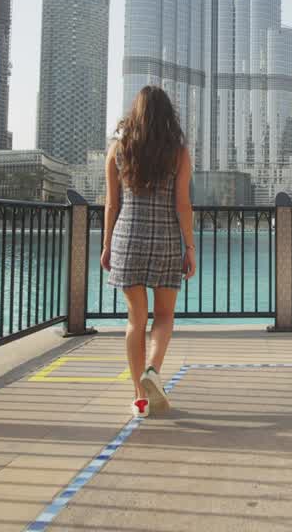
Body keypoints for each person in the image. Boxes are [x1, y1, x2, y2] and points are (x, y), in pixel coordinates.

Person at [100, 85, 196, 418]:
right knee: (165, 315)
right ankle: (153, 370)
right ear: (168, 115)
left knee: (135, 320)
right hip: (167, 238)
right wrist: (190, 247)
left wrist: (107, 245)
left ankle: (140, 398)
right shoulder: (178, 153)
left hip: (128, 238)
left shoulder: (118, 150)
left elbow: (112, 204)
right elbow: (183, 204)